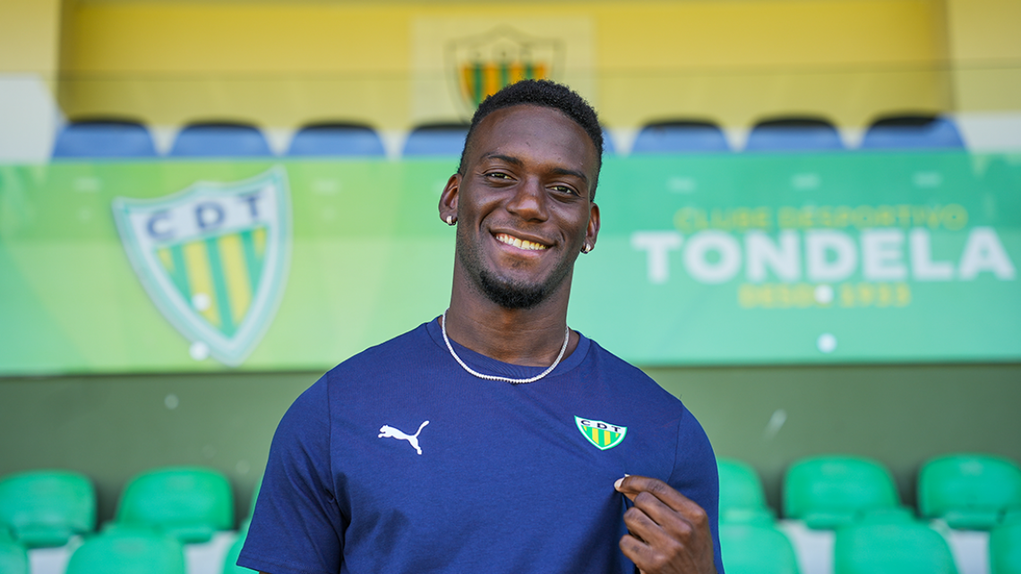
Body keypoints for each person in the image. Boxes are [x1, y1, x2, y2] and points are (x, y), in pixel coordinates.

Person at [238, 79, 723, 574]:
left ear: (590, 228)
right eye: (499, 175)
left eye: (562, 189)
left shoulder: (666, 432)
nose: (530, 205)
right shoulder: (334, 412)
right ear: (453, 197)